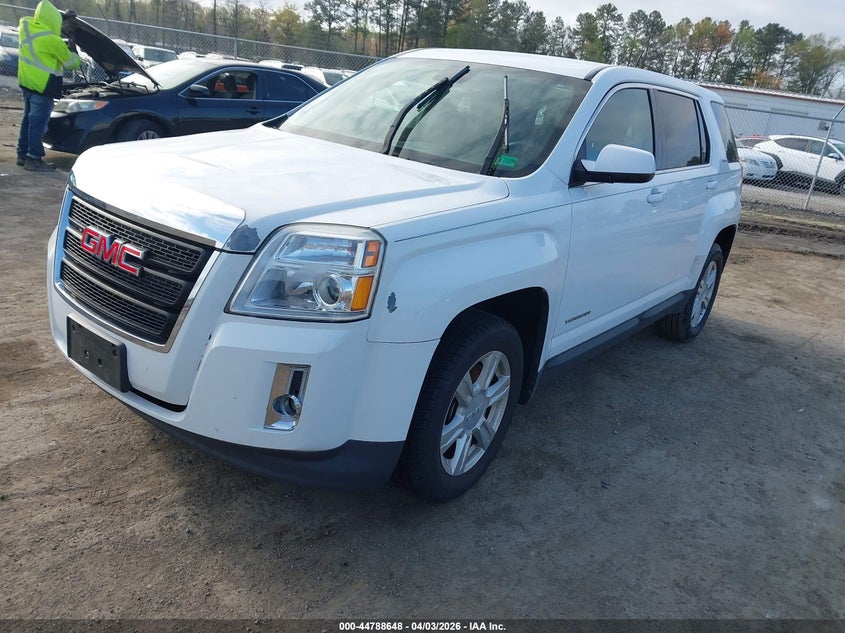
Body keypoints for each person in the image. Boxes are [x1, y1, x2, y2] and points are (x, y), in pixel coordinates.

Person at [17, 0, 79, 172]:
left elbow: (44, 25)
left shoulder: (25, 26)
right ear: (53, 20)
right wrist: (72, 49)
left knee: (27, 120)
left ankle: (22, 154)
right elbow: (72, 64)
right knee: (38, 125)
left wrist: (63, 16)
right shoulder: (53, 41)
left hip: (27, 83)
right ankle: (33, 158)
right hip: (43, 88)